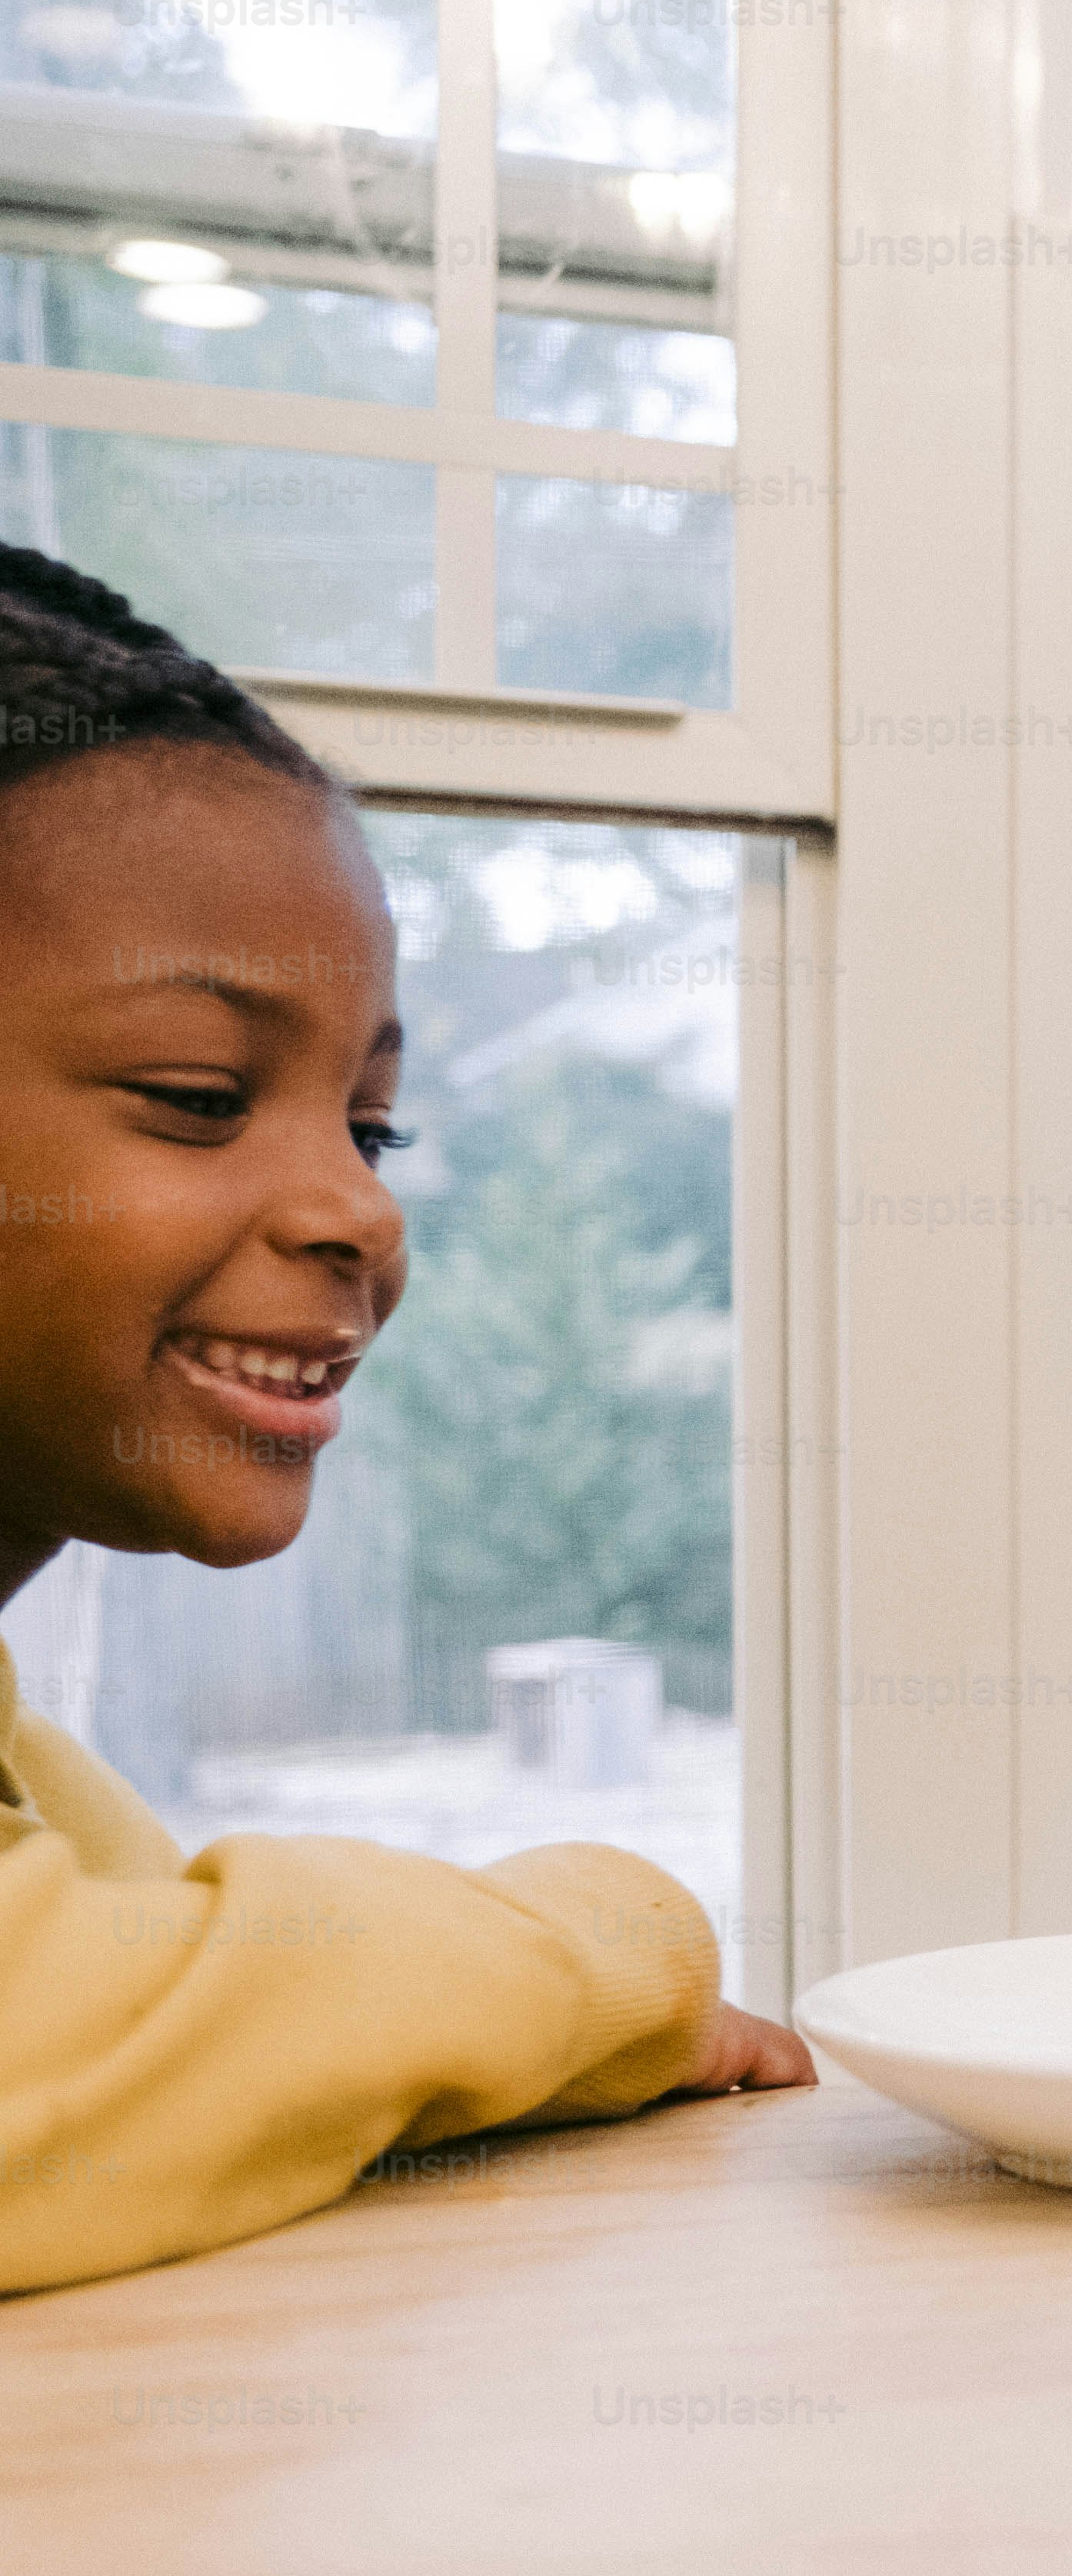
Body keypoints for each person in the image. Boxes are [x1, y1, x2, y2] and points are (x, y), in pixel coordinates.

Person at [0, 547, 810, 2297]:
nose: (360, 1214)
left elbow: (172, 2016)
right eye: (200, 1097)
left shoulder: (35, 1784)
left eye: (374, 1126)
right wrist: (595, 1952)